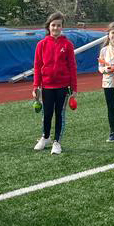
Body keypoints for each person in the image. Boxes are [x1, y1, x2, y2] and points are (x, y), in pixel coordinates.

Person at [32, 11, 78, 155]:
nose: (56, 28)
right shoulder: (41, 44)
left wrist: (74, 88)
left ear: (62, 27)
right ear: (48, 26)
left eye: (58, 25)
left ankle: (57, 142)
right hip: (46, 86)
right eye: (53, 25)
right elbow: (37, 66)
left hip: (63, 86)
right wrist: (36, 86)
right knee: (47, 114)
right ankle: (45, 137)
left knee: (60, 114)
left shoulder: (68, 45)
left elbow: (72, 67)